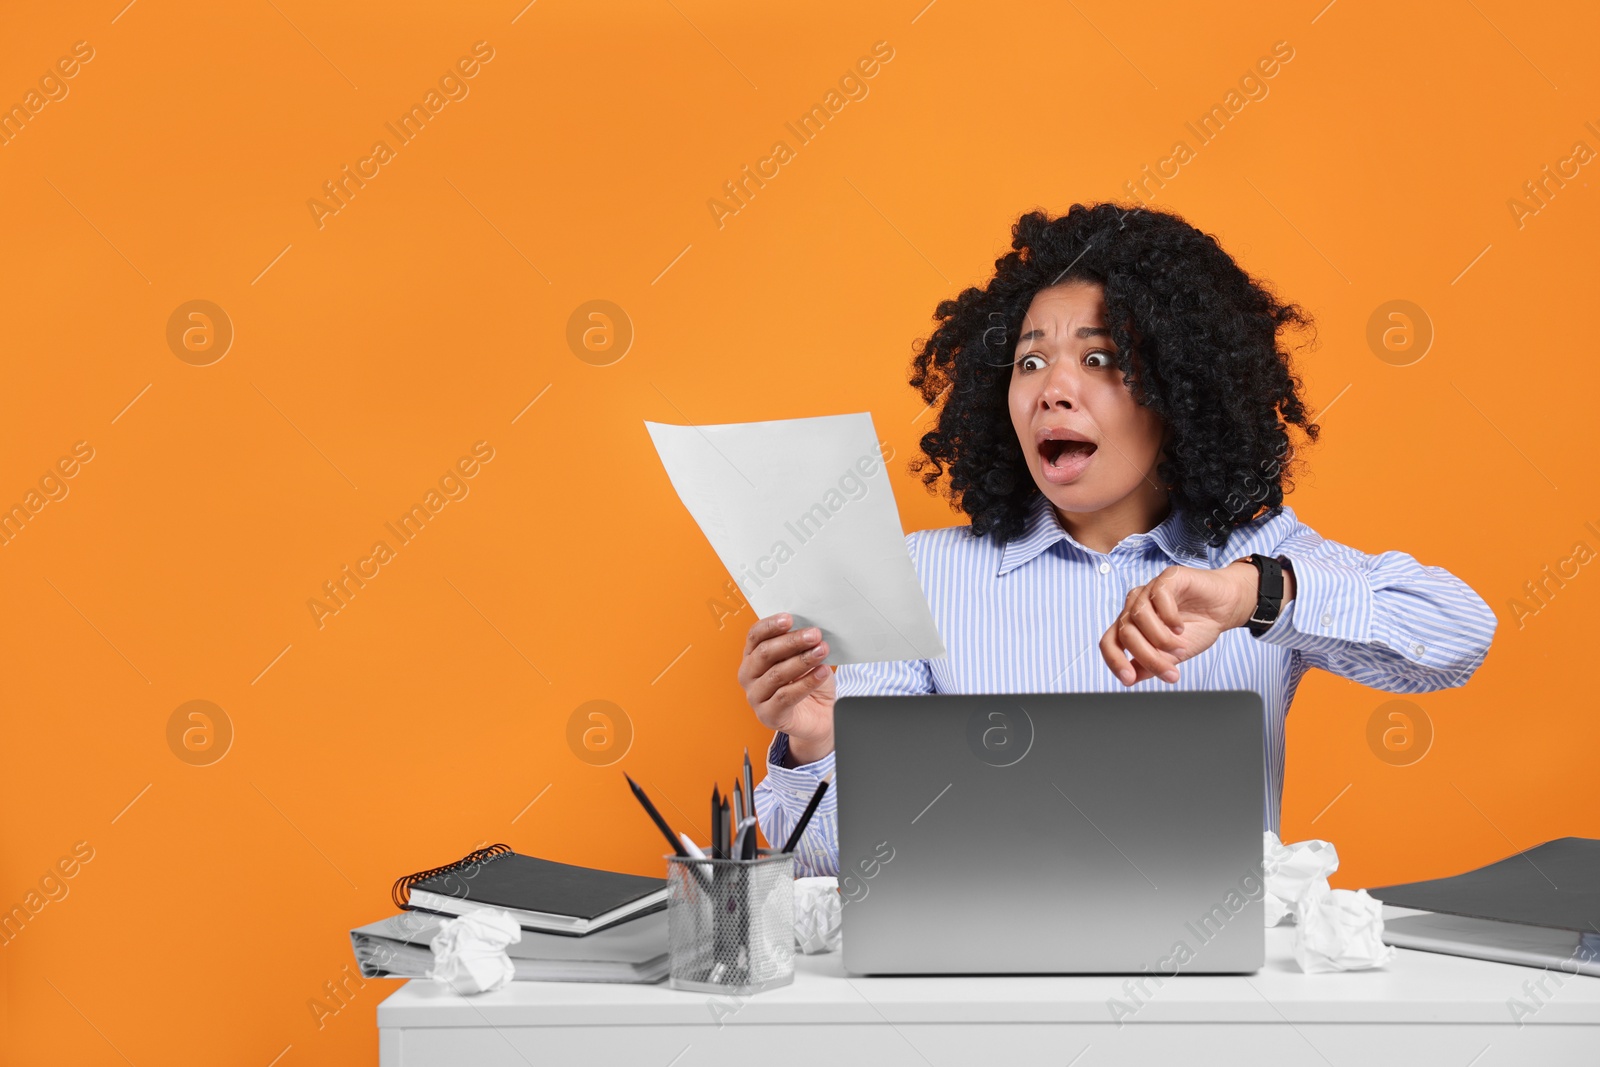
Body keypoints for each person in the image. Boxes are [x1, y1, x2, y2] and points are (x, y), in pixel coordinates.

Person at [738, 203, 1497, 877]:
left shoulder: (1253, 556)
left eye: (1099, 359)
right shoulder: (920, 575)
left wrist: (1250, 595)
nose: (1051, 389)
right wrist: (819, 743)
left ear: (1177, 388)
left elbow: (1460, 635)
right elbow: (835, 870)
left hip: (1210, 1002)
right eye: (1030, 361)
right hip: (981, 999)